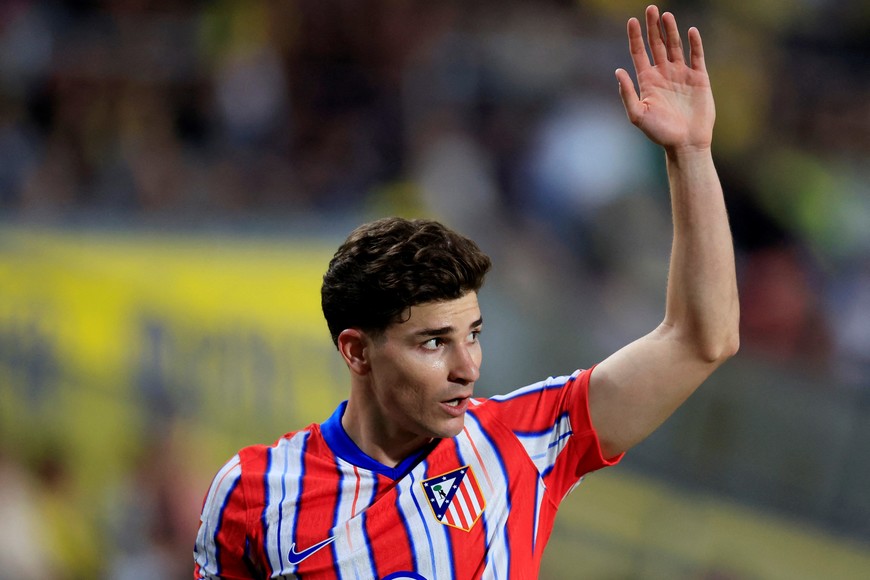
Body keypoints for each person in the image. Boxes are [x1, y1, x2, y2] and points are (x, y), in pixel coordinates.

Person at [193, 5, 739, 579]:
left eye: (473, 335)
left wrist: (692, 154)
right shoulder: (252, 495)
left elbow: (702, 339)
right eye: (433, 343)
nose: (468, 368)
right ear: (357, 350)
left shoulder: (526, 440)